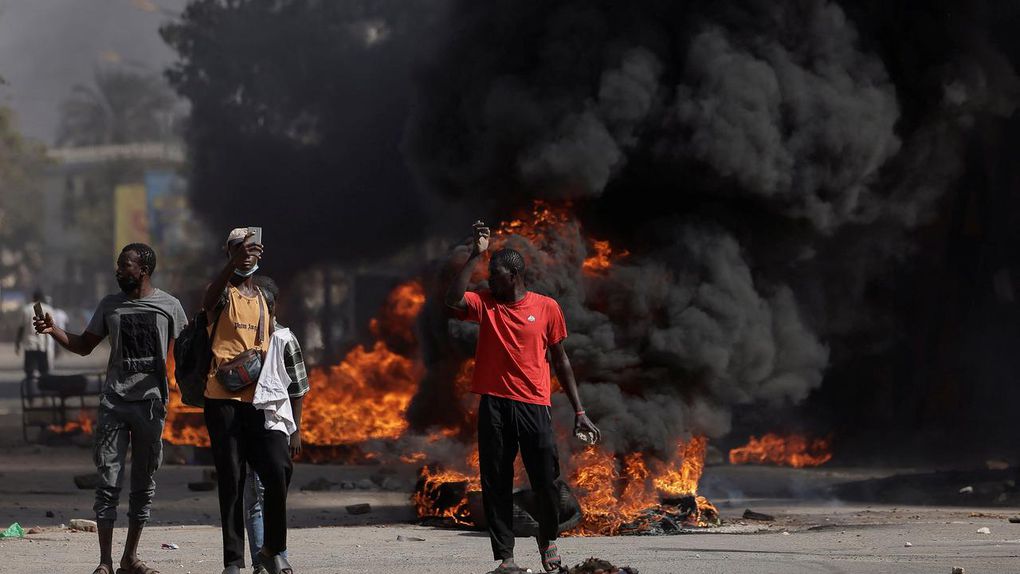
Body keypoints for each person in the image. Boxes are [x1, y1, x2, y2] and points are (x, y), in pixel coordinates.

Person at [445, 221, 601, 574]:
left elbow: (561, 359)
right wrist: (475, 254)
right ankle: (506, 559)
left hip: (534, 406)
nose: (489, 281)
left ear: (514, 277)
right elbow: (452, 298)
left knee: (545, 480)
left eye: (495, 276)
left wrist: (580, 410)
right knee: (495, 481)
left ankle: (548, 542)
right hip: (494, 406)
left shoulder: (546, 308)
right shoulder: (485, 303)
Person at [34, 244, 187, 574]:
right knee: (108, 482)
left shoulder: (169, 306)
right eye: (118, 266)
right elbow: (84, 346)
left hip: (150, 406)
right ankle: (104, 561)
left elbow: (188, 352)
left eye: (125, 266)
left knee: (143, 485)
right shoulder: (110, 305)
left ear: (143, 269)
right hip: (114, 404)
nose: (118, 271)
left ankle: (129, 558)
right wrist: (53, 330)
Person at [202, 228, 293, 574]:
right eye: (238, 250)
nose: (246, 255)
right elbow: (207, 302)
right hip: (222, 398)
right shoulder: (223, 294)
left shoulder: (265, 298)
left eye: (251, 249)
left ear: (260, 253)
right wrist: (231, 267)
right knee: (232, 480)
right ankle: (234, 562)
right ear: (228, 253)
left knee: (277, 468)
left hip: (260, 399)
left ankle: (273, 548)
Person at [244, 275, 308, 574]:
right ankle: (262, 561)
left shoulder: (284, 339)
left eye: (267, 305)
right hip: (245, 422)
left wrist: (295, 429)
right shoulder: (241, 337)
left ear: (274, 306)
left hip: (275, 425)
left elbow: (297, 388)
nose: (263, 311)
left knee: (271, 488)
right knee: (253, 495)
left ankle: (275, 552)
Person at [16, 289, 53, 379]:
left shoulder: (26, 309)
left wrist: (17, 342)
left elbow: (21, 327)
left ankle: (31, 389)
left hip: (29, 344)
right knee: (43, 370)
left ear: (33, 297)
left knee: (29, 370)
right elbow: (52, 327)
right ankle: (43, 389)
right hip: (42, 344)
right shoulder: (48, 309)